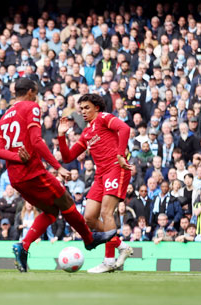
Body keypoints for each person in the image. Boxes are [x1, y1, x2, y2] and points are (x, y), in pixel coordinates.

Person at [0, 78, 114, 272]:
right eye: (37, 92)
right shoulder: (31, 107)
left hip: (16, 178)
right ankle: (89, 240)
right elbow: (37, 141)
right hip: (32, 172)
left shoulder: (5, 115)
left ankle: (23, 246)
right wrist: (57, 166)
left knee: (50, 213)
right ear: (32, 91)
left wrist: (15, 156)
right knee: (65, 200)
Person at [58, 93, 135, 273]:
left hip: (116, 168)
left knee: (106, 212)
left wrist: (120, 154)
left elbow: (124, 128)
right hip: (100, 175)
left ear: (97, 108)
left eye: (87, 108)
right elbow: (68, 156)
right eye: (81, 109)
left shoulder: (103, 118)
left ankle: (109, 262)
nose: (83, 112)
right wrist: (61, 135)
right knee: (89, 218)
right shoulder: (86, 133)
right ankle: (121, 246)